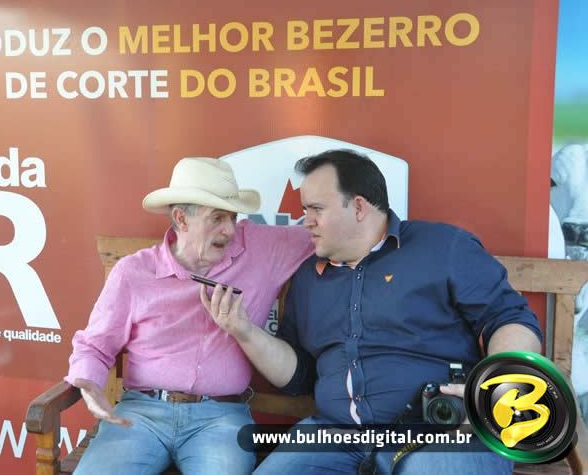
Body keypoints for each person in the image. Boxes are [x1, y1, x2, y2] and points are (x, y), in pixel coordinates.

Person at [202, 149, 542, 474]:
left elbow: (510, 319)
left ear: (359, 207)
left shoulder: (442, 247)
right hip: (333, 436)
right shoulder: (309, 278)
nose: (306, 222)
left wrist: (493, 394)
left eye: (316, 209)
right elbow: (300, 375)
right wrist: (244, 330)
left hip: (438, 432)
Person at [65, 156, 314, 475]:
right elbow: (94, 346)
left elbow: (329, 235)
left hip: (222, 418)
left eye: (233, 217)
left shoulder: (262, 248)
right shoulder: (134, 272)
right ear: (181, 219)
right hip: (141, 413)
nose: (229, 230)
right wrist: (89, 385)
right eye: (217, 218)